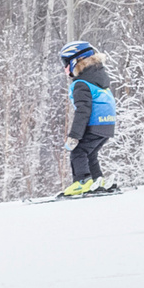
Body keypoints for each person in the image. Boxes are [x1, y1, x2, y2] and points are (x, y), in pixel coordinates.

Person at [56, 40, 122, 194]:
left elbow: (83, 112)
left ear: (77, 61)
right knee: (90, 154)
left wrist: (74, 136)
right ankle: (97, 180)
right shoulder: (99, 79)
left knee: (78, 152)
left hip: (94, 124)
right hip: (107, 126)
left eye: (66, 63)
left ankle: (83, 181)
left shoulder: (81, 84)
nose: (65, 69)